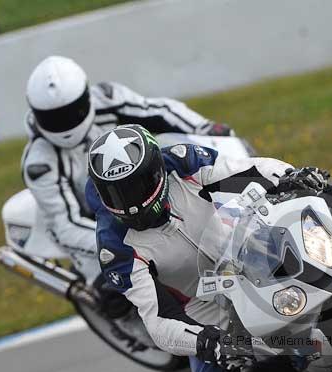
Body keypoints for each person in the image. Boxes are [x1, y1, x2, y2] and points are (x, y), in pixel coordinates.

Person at [85, 124, 332, 372]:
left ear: (156, 168)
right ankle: (290, 370)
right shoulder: (114, 247)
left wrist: (289, 175)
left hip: (250, 251)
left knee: (317, 204)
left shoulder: (182, 162)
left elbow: (249, 169)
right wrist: (207, 342)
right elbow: (157, 321)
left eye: (137, 185)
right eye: (117, 192)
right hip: (210, 312)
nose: (131, 200)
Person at [21, 55, 233, 286]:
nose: (64, 123)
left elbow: (161, 110)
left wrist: (204, 128)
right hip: (96, 229)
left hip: (149, 197)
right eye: (54, 118)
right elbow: (66, 227)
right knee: (117, 291)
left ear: (85, 97)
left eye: (71, 112)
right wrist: (119, 244)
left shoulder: (108, 99)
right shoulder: (39, 164)